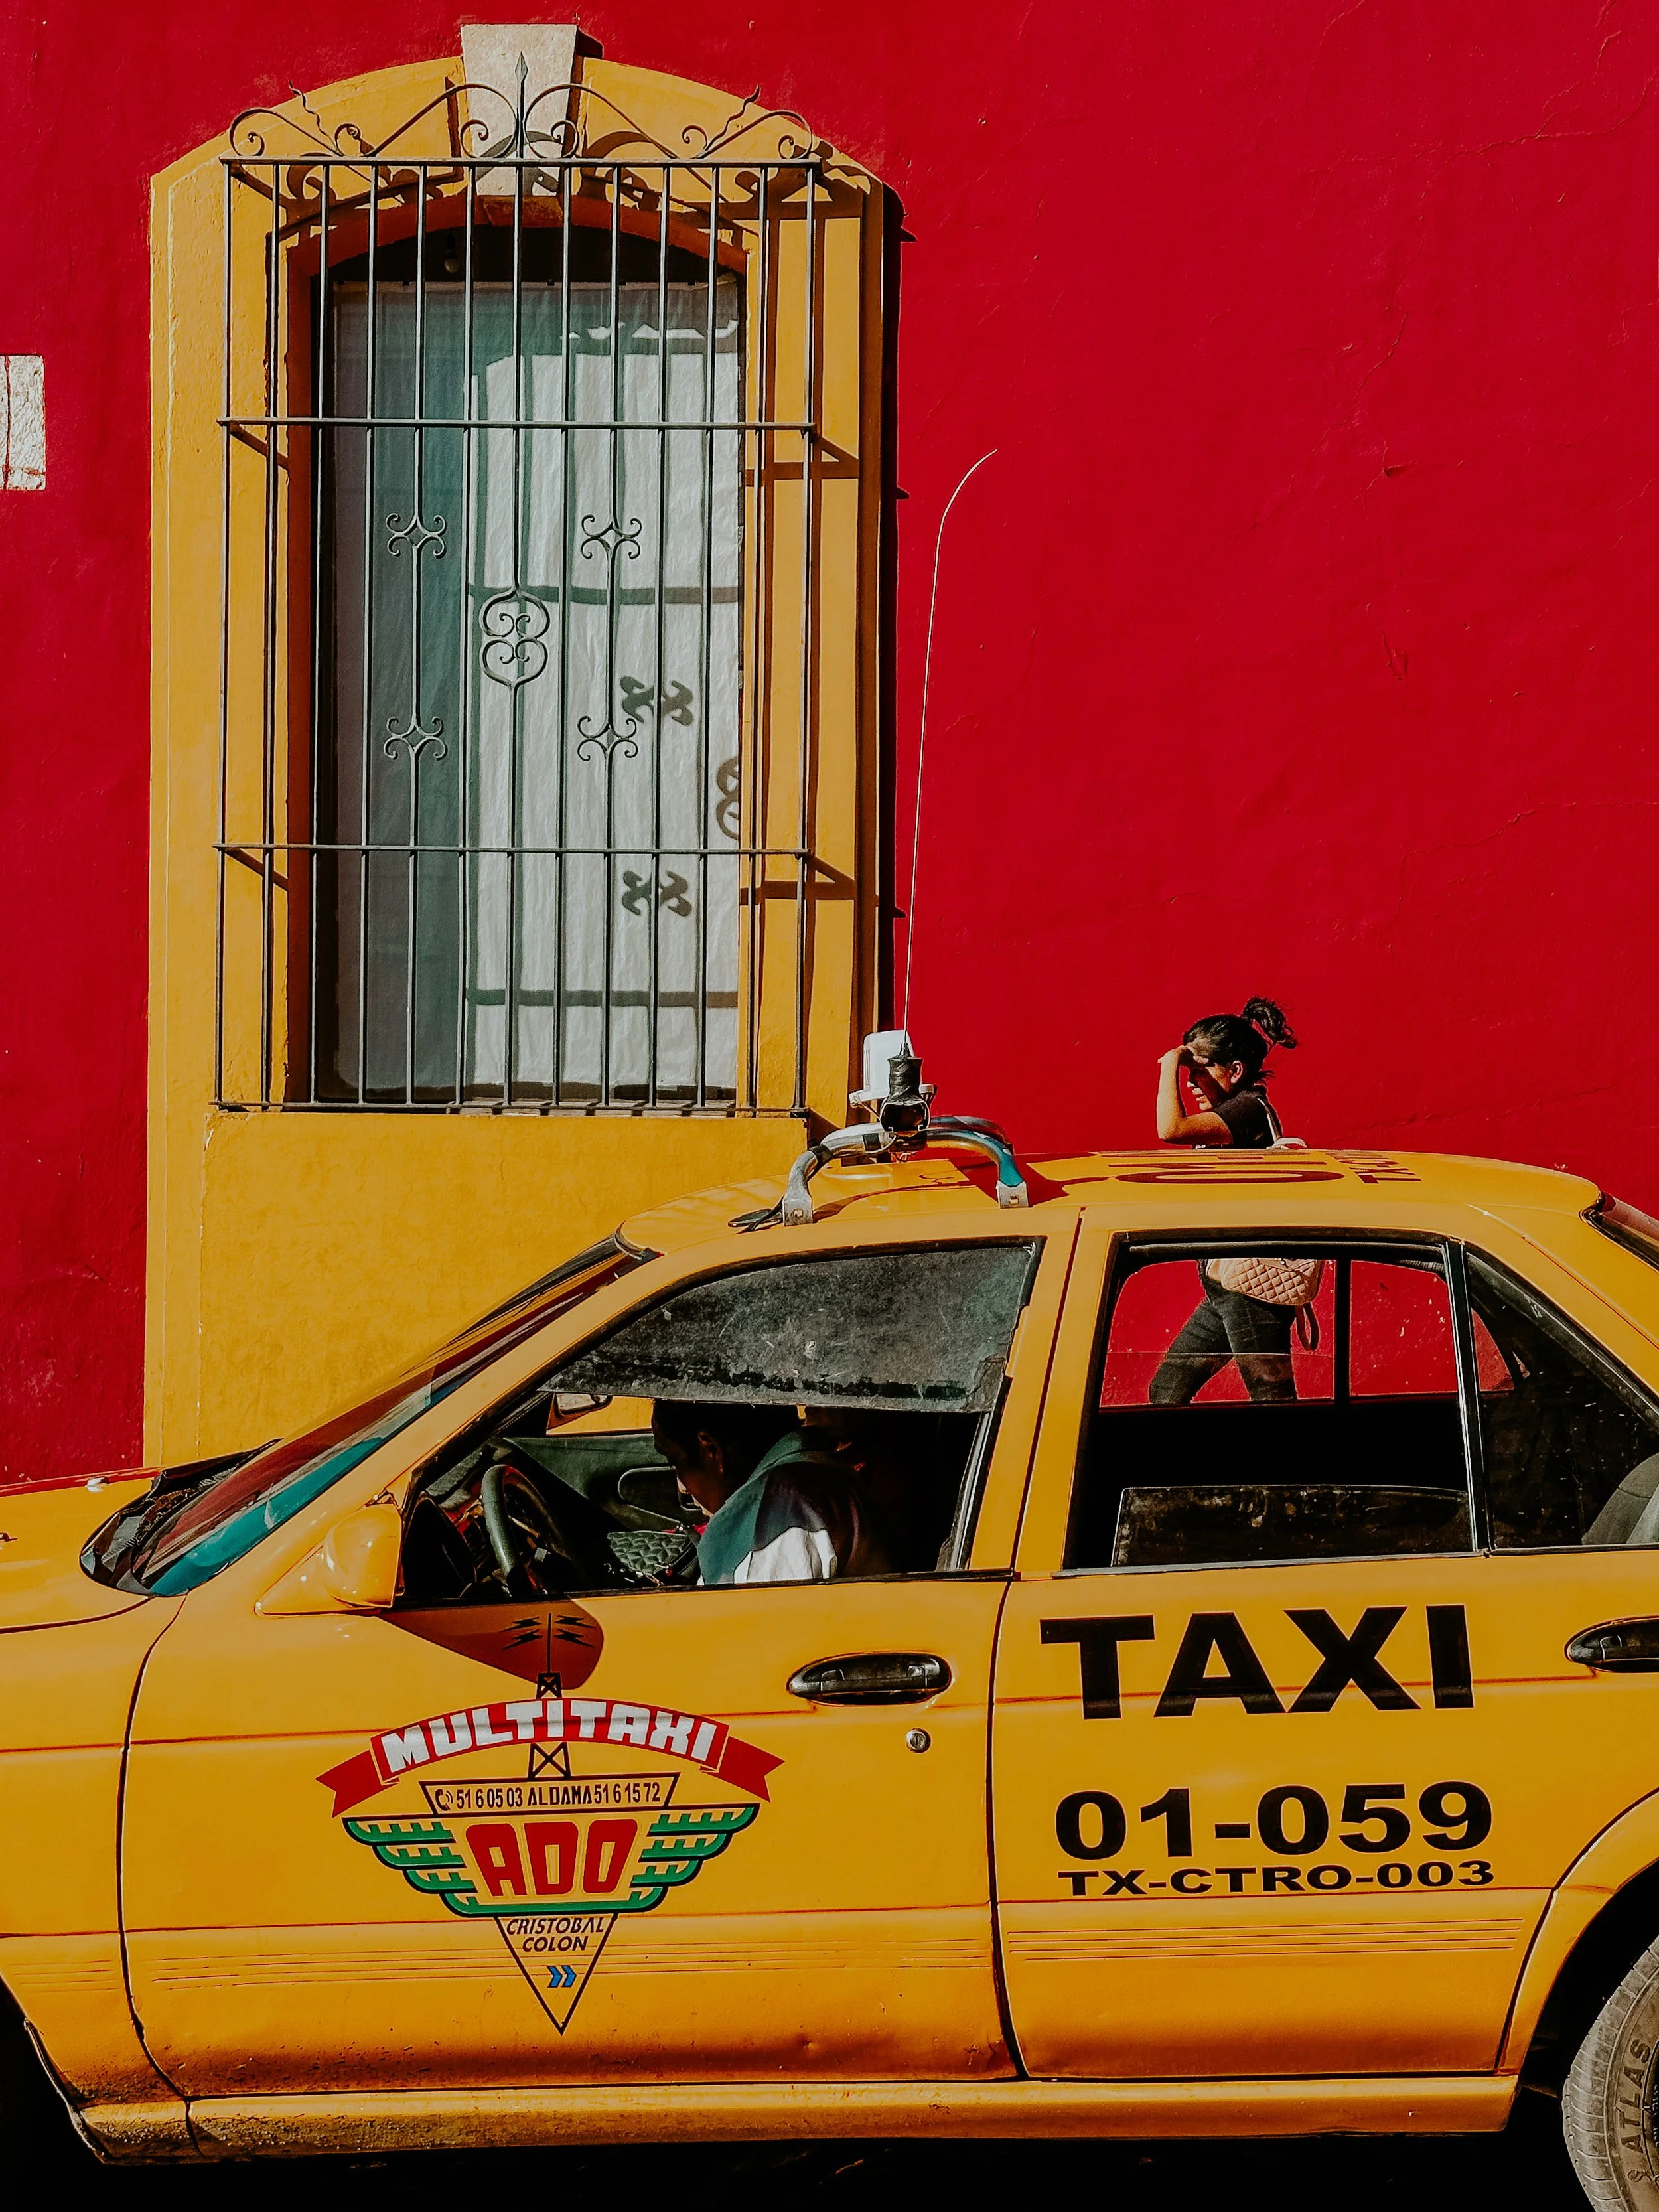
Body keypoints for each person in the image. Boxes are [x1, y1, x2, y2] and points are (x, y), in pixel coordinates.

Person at [1149, 997, 1305, 1404]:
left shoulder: (1247, 1109)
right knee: (1167, 1391)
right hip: (1226, 1284)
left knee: (1273, 1403)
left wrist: (1170, 1060)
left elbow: (1170, 1128)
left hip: (1250, 1288)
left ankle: (1305, 1470)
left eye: (1199, 1070)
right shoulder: (1230, 1114)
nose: (1189, 1081)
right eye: (1189, 1072)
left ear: (1235, 1071)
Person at [650, 1400, 893, 1584]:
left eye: (675, 1460)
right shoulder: (809, 1478)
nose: (682, 1487)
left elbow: (763, 1636)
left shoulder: (783, 1508)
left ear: (711, 1448)